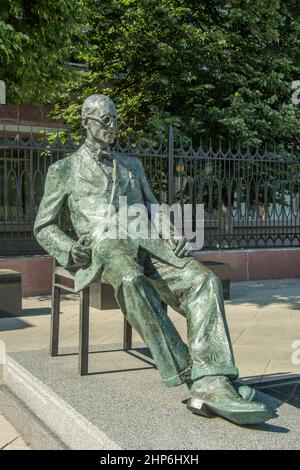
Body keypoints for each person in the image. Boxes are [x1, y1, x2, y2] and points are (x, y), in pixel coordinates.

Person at [34, 94, 273, 425]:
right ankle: (193, 371)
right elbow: (43, 226)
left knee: (203, 279)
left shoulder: (131, 165)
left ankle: (213, 374)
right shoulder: (63, 170)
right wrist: (68, 248)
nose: (113, 126)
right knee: (131, 280)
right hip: (103, 248)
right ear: (87, 122)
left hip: (148, 243)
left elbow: (152, 207)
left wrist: (171, 232)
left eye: (116, 120)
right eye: (106, 120)